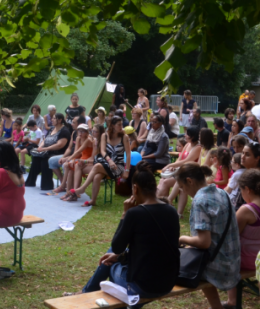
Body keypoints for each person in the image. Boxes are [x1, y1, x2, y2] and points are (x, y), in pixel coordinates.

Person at [75, 161, 180, 306]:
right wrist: (120, 256)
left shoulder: (134, 213)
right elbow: (153, 247)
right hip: (167, 282)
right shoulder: (172, 211)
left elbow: (117, 246)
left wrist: (125, 214)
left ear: (135, 188)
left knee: (108, 262)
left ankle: (85, 294)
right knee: (114, 257)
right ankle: (87, 293)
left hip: (143, 285)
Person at [175, 163, 241, 309]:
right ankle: (226, 304)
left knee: (189, 264)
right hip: (234, 264)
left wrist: (181, 239)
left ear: (189, 181)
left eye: (182, 186)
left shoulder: (200, 201)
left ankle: (216, 307)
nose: (182, 190)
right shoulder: (222, 192)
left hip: (219, 268)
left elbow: (204, 242)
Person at [223, 169, 260, 307]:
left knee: (227, 255)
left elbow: (231, 238)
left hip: (247, 261)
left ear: (247, 189)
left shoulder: (247, 210)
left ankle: (231, 301)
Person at [66, 117, 130, 207]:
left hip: (117, 166)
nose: (121, 126)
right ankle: (93, 200)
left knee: (97, 166)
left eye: (121, 124)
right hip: (107, 163)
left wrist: (127, 171)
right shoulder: (105, 135)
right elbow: (103, 151)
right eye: (119, 124)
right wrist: (109, 161)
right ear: (112, 125)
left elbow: (128, 154)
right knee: (96, 176)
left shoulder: (124, 137)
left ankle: (82, 189)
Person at [156, 126, 201, 216]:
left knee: (168, 183)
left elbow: (186, 161)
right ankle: (159, 204)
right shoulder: (187, 144)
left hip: (190, 174)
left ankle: (165, 204)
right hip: (180, 171)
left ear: (192, 136)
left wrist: (170, 165)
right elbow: (179, 159)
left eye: (187, 134)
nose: (185, 135)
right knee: (162, 180)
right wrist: (173, 166)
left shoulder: (198, 147)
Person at [26, 113, 70, 190]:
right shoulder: (52, 128)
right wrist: (40, 146)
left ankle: (47, 185)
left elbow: (60, 145)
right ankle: (30, 182)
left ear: (59, 120)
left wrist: (45, 149)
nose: (51, 120)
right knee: (36, 159)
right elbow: (45, 140)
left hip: (57, 152)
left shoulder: (64, 131)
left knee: (44, 161)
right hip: (46, 151)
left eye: (53, 118)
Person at [57, 124, 93, 201]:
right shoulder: (78, 138)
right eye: (79, 131)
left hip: (86, 161)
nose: (80, 133)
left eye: (83, 131)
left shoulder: (88, 140)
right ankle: (68, 192)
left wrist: (68, 159)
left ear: (87, 132)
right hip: (80, 159)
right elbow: (76, 151)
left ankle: (64, 187)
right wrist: (72, 160)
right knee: (68, 167)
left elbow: (79, 151)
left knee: (68, 164)